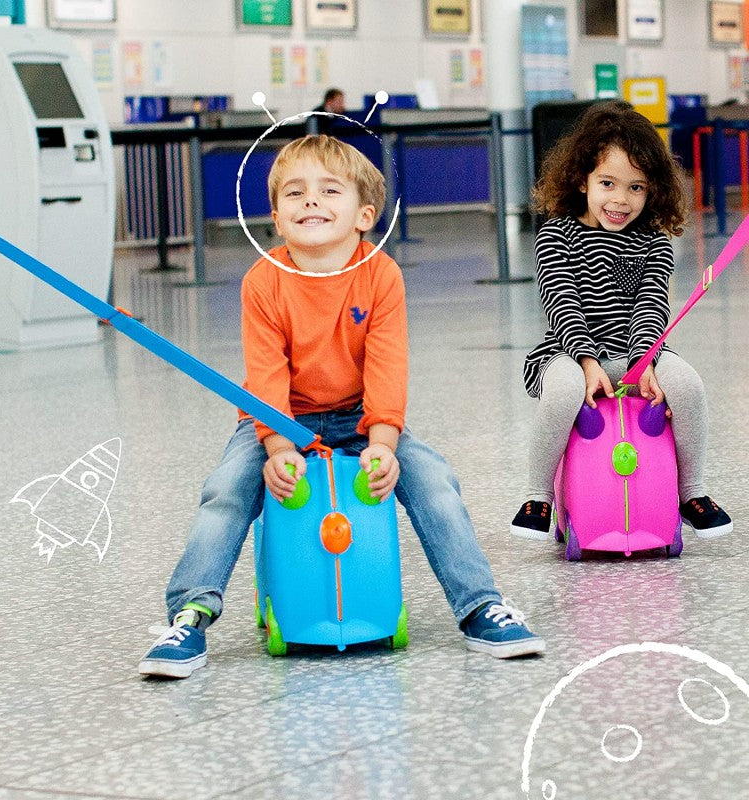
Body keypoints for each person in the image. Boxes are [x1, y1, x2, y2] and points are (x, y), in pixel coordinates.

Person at [139, 134, 545, 678]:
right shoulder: (263, 281)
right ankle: (188, 615)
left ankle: (478, 605)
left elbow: (386, 367)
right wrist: (277, 445)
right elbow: (264, 375)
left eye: (329, 190)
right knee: (227, 489)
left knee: (434, 479)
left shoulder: (381, 276)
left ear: (364, 215)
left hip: (360, 416)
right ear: (277, 219)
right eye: (294, 193)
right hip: (279, 418)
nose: (311, 202)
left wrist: (383, 444)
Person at [510, 101, 733, 541]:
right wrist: (587, 361)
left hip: (637, 352)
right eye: (608, 183)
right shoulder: (556, 234)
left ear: (652, 192)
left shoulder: (654, 242)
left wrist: (644, 362)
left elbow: (651, 306)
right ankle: (538, 495)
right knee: (565, 390)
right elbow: (561, 302)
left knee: (688, 385)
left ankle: (691, 491)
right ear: (582, 180)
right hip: (567, 351)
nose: (620, 200)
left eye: (636, 188)